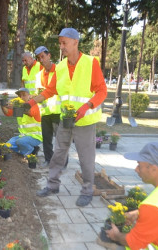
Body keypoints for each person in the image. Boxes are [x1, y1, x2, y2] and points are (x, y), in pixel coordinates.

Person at [26, 28, 107, 207]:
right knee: (58, 154)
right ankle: (52, 185)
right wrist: (31, 102)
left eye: (64, 43)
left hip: (85, 121)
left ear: (75, 42)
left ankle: (87, 190)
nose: (61, 47)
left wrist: (87, 106)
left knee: (86, 158)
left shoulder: (90, 63)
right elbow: (49, 90)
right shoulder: (61, 67)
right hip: (66, 120)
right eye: (60, 43)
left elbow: (102, 91)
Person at [33, 46, 63, 168]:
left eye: (43, 56)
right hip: (45, 112)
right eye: (39, 58)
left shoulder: (60, 71)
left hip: (58, 112)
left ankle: (62, 163)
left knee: (61, 140)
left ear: (49, 55)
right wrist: (32, 98)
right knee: (46, 139)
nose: (41, 60)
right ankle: (48, 160)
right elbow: (38, 93)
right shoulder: (39, 75)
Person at [0, 88, 42, 157]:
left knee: (20, 142)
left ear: (29, 96)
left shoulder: (33, 105)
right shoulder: (19, 107)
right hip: (23, 136)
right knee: (7, 146)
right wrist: (3, 105)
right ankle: (30, 150)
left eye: (24, 95)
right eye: (19, 96)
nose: (21, 97)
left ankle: (27, 153)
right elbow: (7, 113)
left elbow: (29, 113)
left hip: (35, 137)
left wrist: (16, 106)